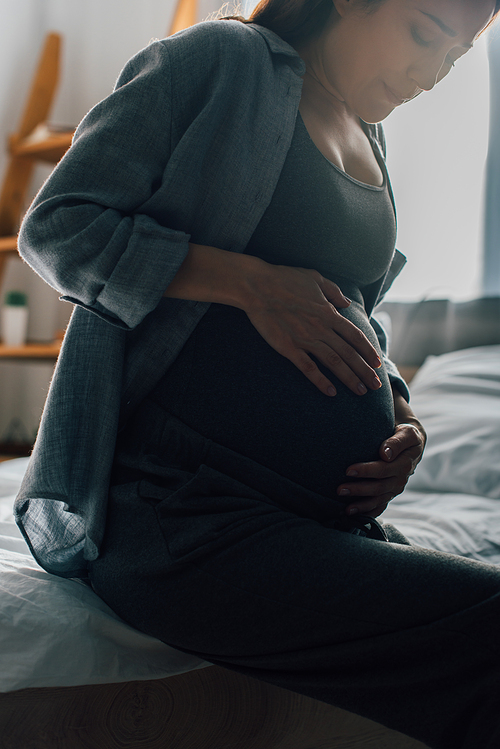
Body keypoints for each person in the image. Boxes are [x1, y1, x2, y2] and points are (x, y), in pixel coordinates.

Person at [14, 1, 500, 747]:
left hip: (316, 518)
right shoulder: (217, 61)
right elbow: (59, 227)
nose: (431, 74)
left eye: (456, 58)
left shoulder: (370, 130)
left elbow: (356, 312)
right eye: (425, 34)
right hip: (183, 513)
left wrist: (401, 411)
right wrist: (248, 281)